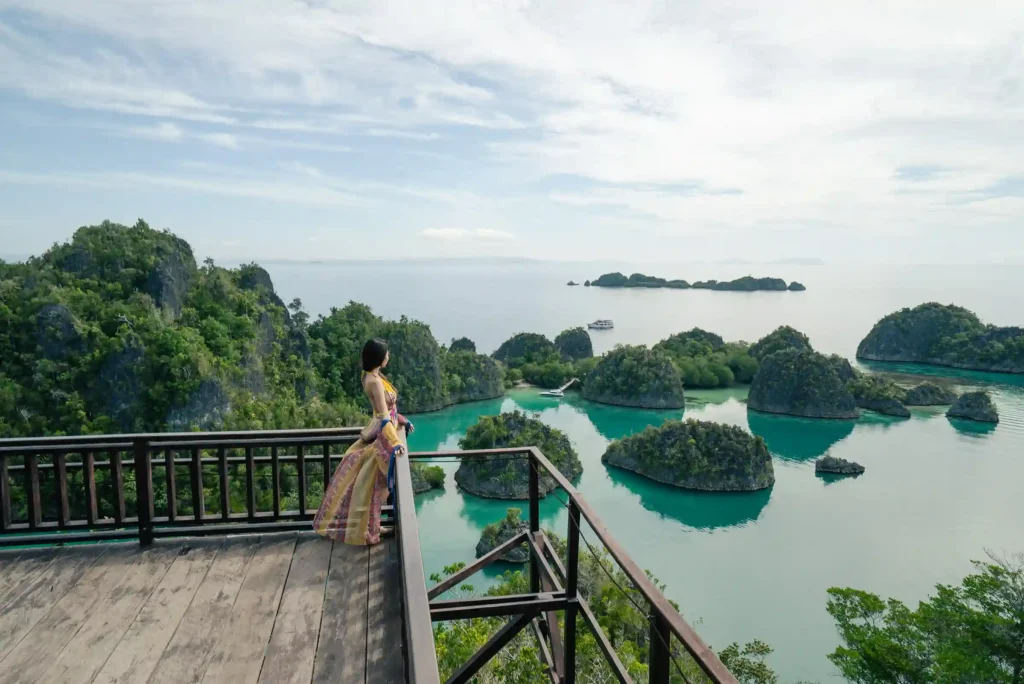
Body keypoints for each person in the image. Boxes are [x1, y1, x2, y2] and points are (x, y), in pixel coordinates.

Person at [313, 338, 414, 545]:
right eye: (386, 353)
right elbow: (384, 416)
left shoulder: (371, 375)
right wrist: (395, 442)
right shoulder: (375, 382)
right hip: (382, 435)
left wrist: (402, 420)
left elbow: (388, 412)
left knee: (374, 486)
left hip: (383, 428)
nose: (388, 356)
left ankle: (373, 527)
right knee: (379, 485)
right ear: (379, 357)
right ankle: (369, 530)